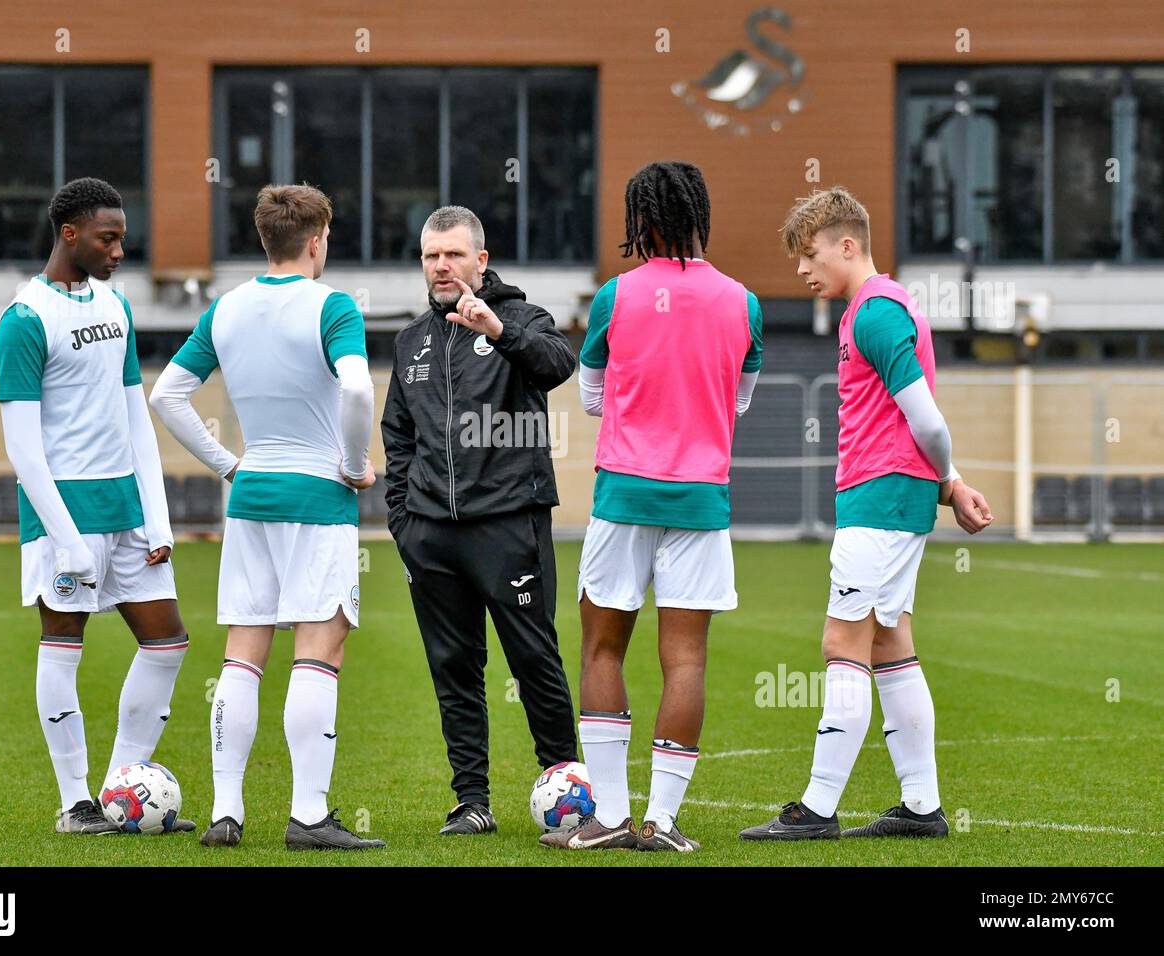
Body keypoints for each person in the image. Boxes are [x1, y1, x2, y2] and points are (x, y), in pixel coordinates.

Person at [740, 185, 993, 841]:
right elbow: (920, 421)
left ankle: (818, 809)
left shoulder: (877, 312)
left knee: (841, 643)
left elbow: (927, 420)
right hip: (892, 497)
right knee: (889, 643)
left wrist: (951, 478)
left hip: (880, 498)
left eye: (810, 254)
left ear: (847, 246)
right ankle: (921, 806)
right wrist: (949, 486)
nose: (802, 270)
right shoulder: (876, 309)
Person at [149, 184, 384, 851]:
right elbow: (359, 386)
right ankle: (309, 816)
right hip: (316, 497)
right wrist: (353, 462)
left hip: (250, 499)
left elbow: (167, 396)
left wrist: (230, 466)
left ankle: (227, 812)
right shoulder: (332, 305)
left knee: (243, 654)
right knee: (319, 648)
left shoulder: (226, 308)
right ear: (317, 241)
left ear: (264, 239)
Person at [540, 161, 763, 853]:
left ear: (644, 221)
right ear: (698, 215)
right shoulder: (745, 302)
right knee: (686, 658)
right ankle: (661, 823)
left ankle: (607, 818)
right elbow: (740, 403)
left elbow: (592, 398)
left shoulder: (615, 295)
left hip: (624, 492)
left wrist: (643, 417)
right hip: (702, 500)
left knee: (603, 644)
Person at [0, 177, 193, 835]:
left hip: (127, 509)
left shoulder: (115, 303)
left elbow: (135, 413)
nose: (118, 251)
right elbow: (23, 449)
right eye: (108, 239)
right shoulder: (24, 318)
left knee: (167, 641)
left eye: (123, 239)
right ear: (70, 234)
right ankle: (75, 801)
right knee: (62, 643)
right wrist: (69, 541)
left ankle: (120, 792)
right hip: (62, 517)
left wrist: (156, 516)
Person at [381, 205, 579, 836]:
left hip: (508, 527)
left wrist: (499, 329)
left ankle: (567, 793)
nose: (442, 266)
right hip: (431, 536)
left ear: (481, 261)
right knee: (455, 670)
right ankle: (472, 802)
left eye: (455, 255)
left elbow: (557, 365)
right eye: (432, 256)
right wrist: (403, 520)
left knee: (535, 662)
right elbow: (398, 435)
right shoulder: (412, 339)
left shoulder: (521, 318)